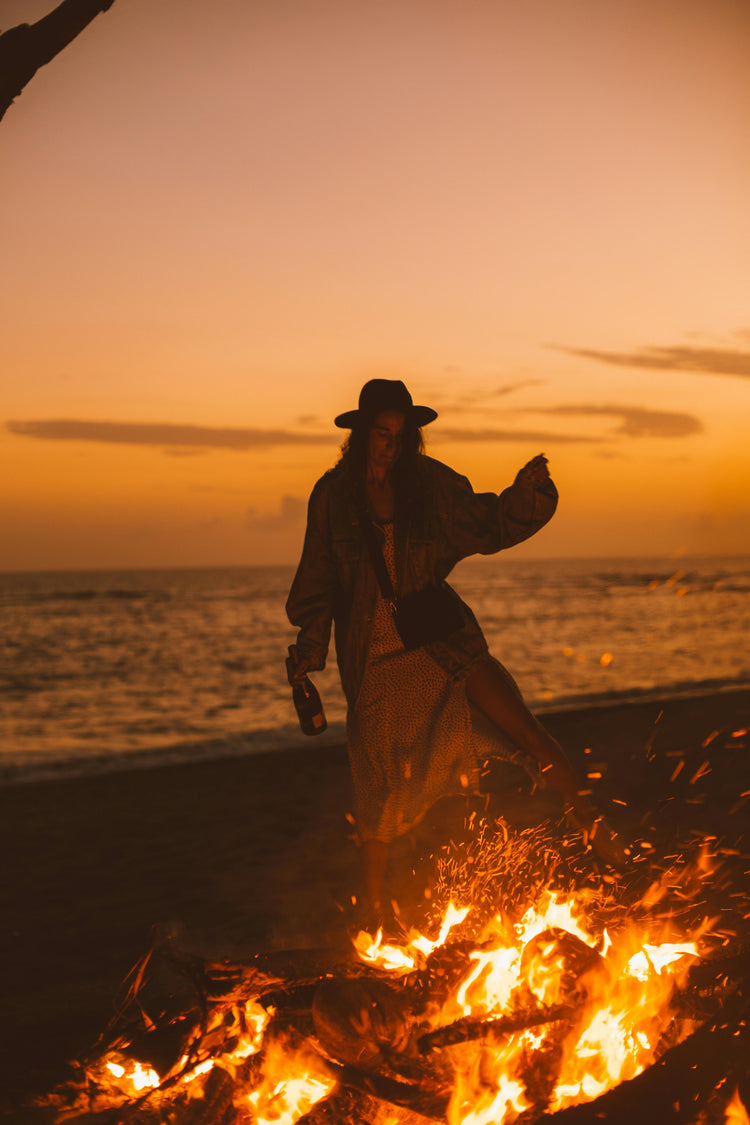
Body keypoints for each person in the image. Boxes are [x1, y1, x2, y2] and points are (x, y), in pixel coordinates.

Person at [286, 379, 625, 924]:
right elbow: (319, 579)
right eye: (381, 434)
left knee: (522, 728)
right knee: (378, 796)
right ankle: (375, 916)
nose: (390, 447)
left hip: (442, 643)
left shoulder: (429, 487)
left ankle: (595, 825)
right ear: (359, 436)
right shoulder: (331, 498)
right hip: (373, 661)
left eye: (401, 436)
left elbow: (487, 523)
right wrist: (309, 645)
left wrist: (527, 494)